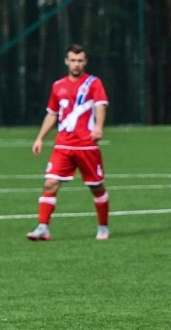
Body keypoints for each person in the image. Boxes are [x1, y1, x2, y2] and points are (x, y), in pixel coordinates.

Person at [27, 43, 110, 241]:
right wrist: (40, 138)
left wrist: (98, 127)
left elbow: (100, 106)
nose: (76, 64)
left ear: (85, 62)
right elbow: (52, 114)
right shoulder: (58, 86)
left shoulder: (93, 83)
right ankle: (43, 227)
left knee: (96, 187)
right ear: (66, 61)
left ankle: (103, 226)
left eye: (80, 60)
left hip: (86, 145)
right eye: (72, 60)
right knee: (50, 183)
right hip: (63, 145)